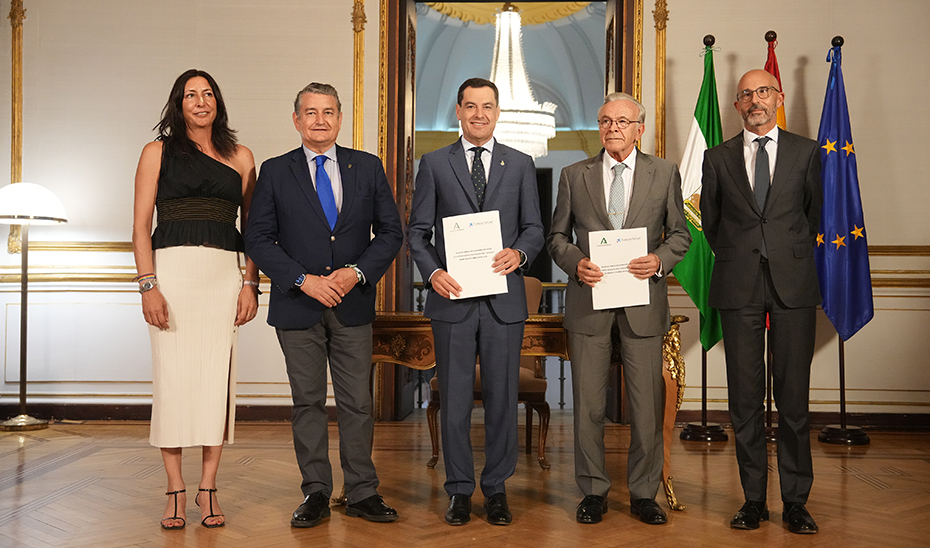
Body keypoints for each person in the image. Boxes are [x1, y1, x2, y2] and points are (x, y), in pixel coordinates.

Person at [244, 82, 403, 528]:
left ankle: (362, 491)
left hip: (353, 304)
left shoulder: (367, 167)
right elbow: (257, 237)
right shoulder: (276, 171)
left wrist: (355, 272)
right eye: (311, 112)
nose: (320, 120)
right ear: (297, 120)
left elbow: (390, 233)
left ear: (339, 118)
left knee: (358, 403)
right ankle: (315, 491)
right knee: (308, 402)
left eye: (328, 112)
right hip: (298, 306)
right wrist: (303, 279)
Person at [547, 92, 690, 525]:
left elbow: (680, 235)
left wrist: (660, 260)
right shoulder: (574, 175)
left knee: (645, 405)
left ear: (639, 129)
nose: (614, 127)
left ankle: (644, 494)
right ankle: (593, 492)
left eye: (623, 121)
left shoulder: (664, 173)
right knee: (588, 405)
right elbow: (556, 238)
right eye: (606, 120)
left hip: (643, 304)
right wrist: (576, 264)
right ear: (599, 126)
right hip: (590, 303)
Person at [407, 77, 544, 526]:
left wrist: (519, 253)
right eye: (470, 106)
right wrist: (433, 272)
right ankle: (460, 490)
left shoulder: (521, 163)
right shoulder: (433, 163)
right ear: (459, 112)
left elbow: (534, 229)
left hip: (504, 302)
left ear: (498, 112)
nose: (479, 113)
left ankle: (498, 488)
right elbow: (417, 233)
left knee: (504, 398)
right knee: (456, 400)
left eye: (487, 106)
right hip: (454, 299)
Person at [132, 69, 260, 530]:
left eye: (208, 94)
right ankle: (174, 489)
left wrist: (250, 283)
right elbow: (140, 226)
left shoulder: (243, 157)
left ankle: (207, 489)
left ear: (218, 102)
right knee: (172, 384)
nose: (200, 101)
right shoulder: (156, 152)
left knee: (214, 384)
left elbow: (254, 231)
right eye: (191, 95)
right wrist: (149, 285)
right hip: (171, 276)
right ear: (178, 103)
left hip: (223, 278)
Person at [701, 69, 823, 534]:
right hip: (738, 285)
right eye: (747, 94)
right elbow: (711, 223)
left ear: (778, 98)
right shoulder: (717, 158)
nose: (756, 100)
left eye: (764, 91)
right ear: (737, 106)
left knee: (793, 399)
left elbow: (813, 214)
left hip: (793, 283)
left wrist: (783, 250)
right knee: (745, 400)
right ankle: (753, 499)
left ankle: (795, 501)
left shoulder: (805, 151)